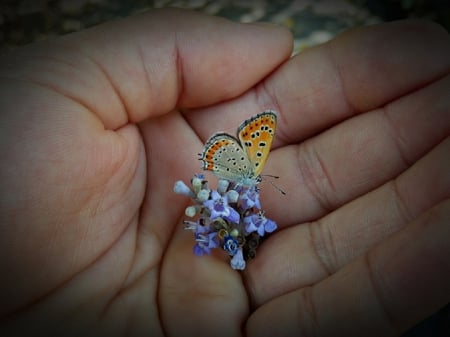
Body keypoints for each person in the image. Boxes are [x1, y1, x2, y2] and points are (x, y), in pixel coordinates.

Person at [0, 7, 449, 337]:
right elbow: (224, 211)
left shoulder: (236, 206)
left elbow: (236, 211)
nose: (249, 209)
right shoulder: (220, 202)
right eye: (245, 213)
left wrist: (234, 218)